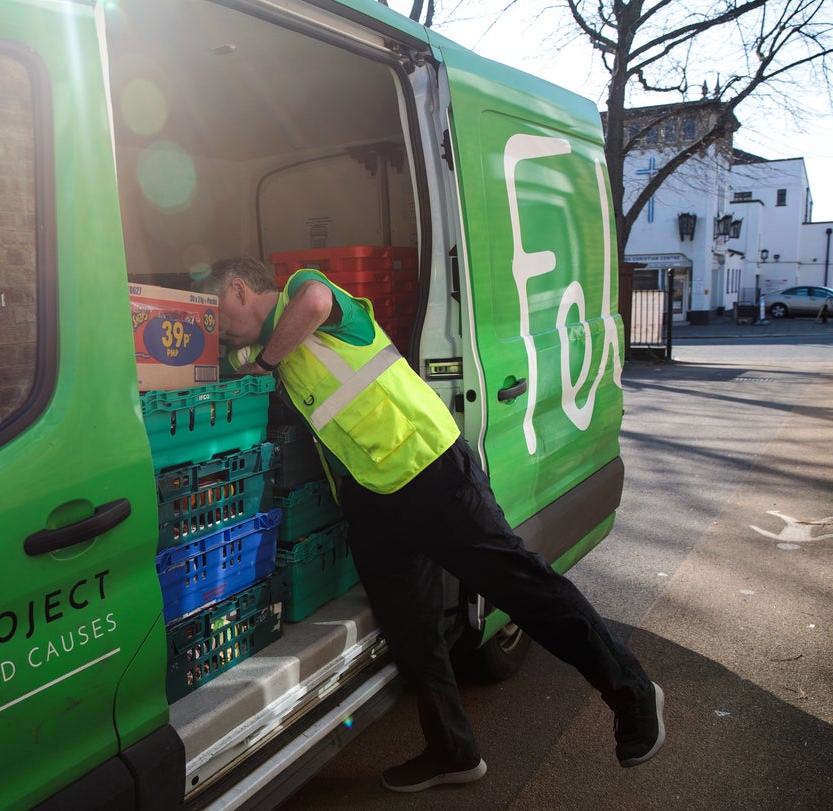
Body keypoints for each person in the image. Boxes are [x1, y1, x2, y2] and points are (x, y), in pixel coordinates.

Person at [197, 256, 665, 793]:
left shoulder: (303, 290)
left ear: (240, 289)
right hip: (370, 496)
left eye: (218, 311)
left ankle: (632, 693)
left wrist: (267, 361)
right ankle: (452, 750)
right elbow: (220, 367)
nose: (220, 327)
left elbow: (315, 304)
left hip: (430, 467)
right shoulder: (255, 352)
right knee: (411, 632)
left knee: (522, 586)